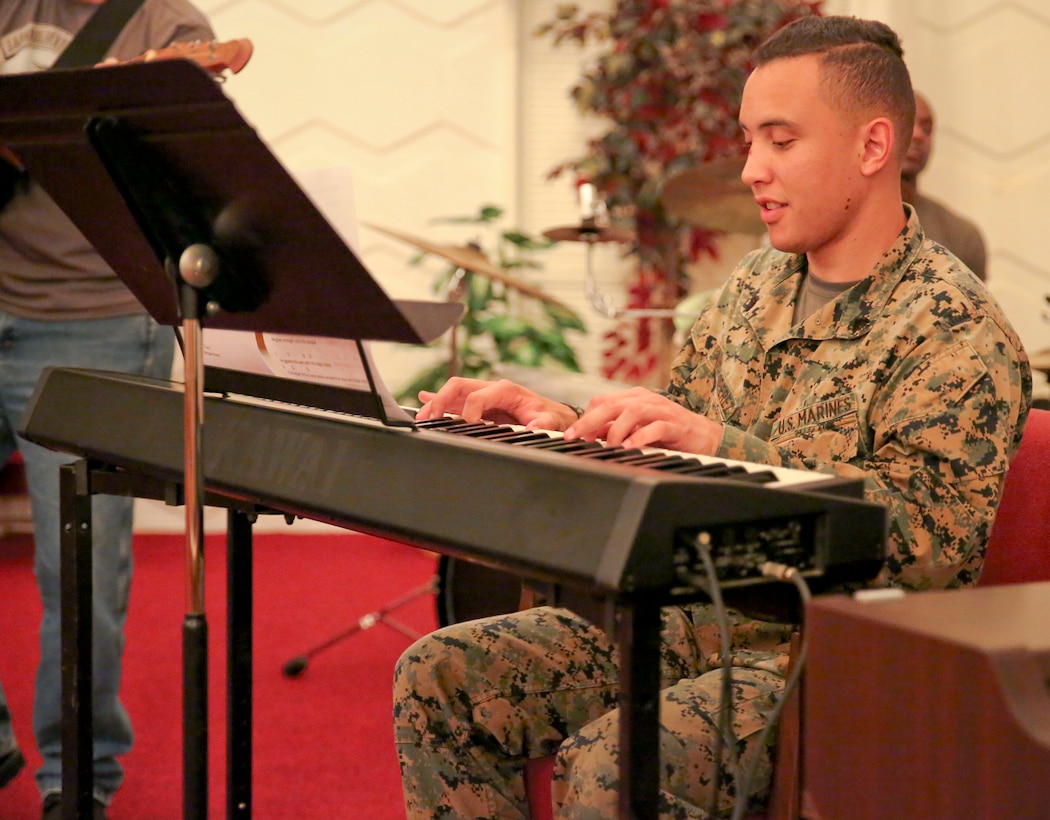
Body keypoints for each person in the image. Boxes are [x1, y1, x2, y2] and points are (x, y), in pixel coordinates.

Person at [392, 15, 1032, 819]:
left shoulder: (953, 329)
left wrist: (723, 446)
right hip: (690, 623)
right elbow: (669, 442)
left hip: (830, 659)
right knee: (441, 675)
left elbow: (927, 559)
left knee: (616, 761)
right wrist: (553, 422)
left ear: (873, 149)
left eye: (781, 141)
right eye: (748, 141)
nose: (751, 170)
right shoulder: (755, 286)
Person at [0, 2, 213, 818]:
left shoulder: (164, 24)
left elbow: (187, 184)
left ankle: (77, 777)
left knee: (79, 566)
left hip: (96, 321)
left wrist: (99, 122)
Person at [901, 90, 987, 280]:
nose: (917, 135)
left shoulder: (962, 236)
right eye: (907, 123)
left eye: (927, 128)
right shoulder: (843, 223)